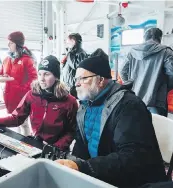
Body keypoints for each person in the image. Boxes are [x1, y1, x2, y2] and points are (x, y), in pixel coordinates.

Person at [56, 49, 167, 187]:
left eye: (83, 79)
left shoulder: (128, 105)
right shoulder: (85, 106)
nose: (76, 84)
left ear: (101, 80)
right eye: (76, 79)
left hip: (134, 181)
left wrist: (85, 167)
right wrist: (75, 168)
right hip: (100, 174)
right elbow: (81, 145)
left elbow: (132, 157)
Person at [0, 55, 78, 150]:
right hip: (37, 144)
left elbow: (72, 131)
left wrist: (56, 148)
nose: (41, 79)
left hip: (57, 149)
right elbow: (17, 118)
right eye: (40, 74)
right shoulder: (32, 95)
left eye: (46, 74)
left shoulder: (69, 101)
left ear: (56, 77)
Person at [0, 31, 37, 136]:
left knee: (23, 124)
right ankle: (17, 143)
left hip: (22, 98)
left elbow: (34, 79)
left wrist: (21, 89)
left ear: (17, 44)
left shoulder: (27, 60)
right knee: (12, 122)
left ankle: (27, 145)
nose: (8, 45)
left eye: (11, 43)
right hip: (9, 97)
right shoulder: (6, 59)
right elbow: (2, 74)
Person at [120, 28, 173, 116]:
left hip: (134, 97)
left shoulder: (132, 52)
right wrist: (165, 87)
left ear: (145, 38)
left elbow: (122, 71)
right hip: (157, 100)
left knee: (137, 127)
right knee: (158, 128)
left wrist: (130, 84)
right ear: (160, 38)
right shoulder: (166, 51)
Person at [62, 33, 88, 98]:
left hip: (74, 86)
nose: (67, 45)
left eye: (68, 43)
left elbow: (77, 66)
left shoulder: (80, 53)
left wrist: (69, 53)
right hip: (68, 85)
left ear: (73, 42)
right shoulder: (73, 53)